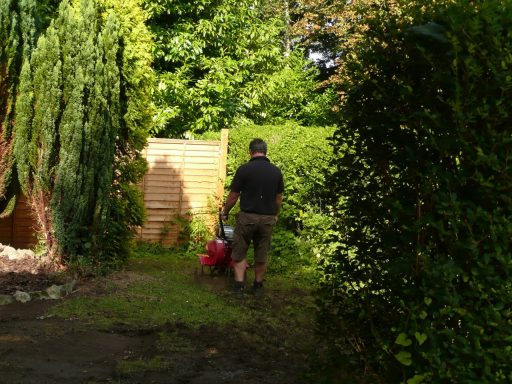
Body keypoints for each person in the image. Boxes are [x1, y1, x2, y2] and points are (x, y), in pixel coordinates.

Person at [222, 138, 284, 297]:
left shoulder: (244, 170)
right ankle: (257, 286)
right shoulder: (276, 172)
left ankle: (239, 287)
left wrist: (225, 211)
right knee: (261, 254)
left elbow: (233, 196)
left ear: (250, 152)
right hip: (267, 220)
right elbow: (278, 199)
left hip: (247, 219)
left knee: (239, 252)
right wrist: (275, 215)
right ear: (265, 152)